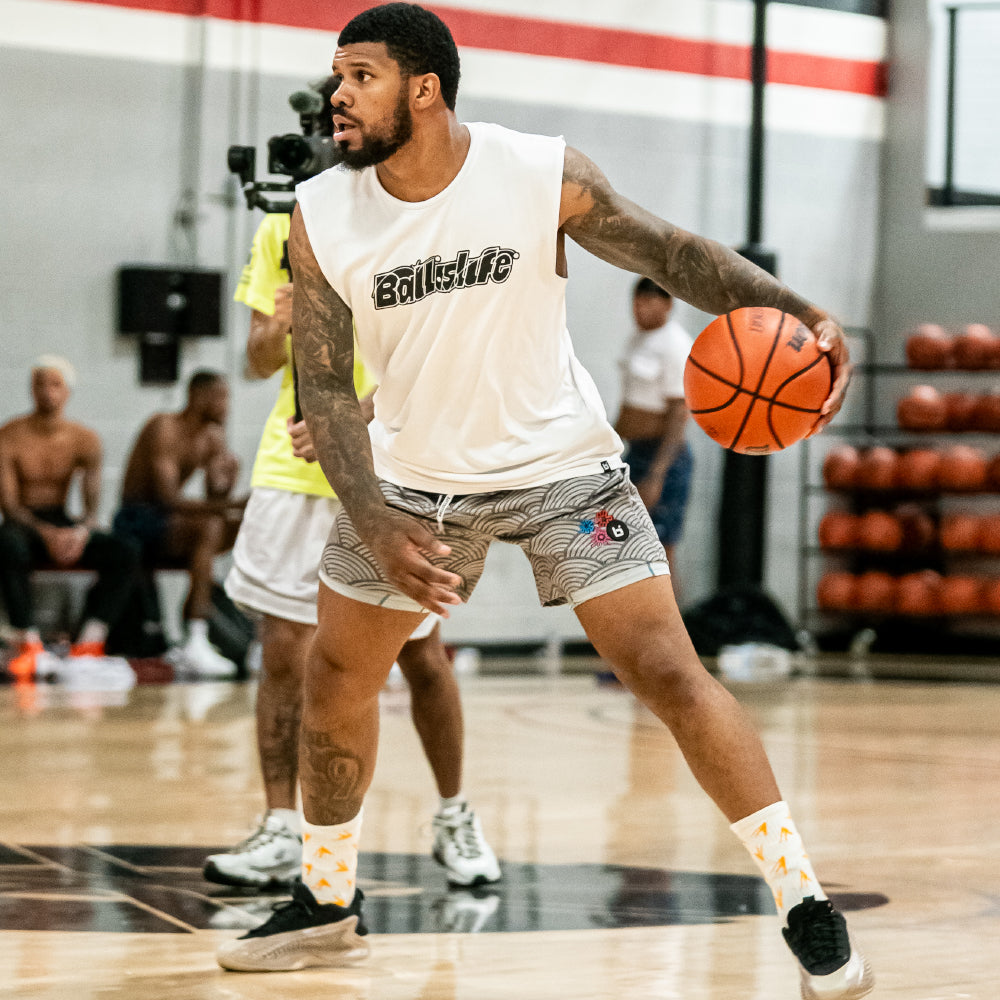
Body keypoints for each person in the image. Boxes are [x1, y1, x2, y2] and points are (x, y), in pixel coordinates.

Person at [217, 6, 870, 1000]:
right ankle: (327, 898)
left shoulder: (532, 171)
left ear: (424, 89)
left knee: (668, 671)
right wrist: (377, 520)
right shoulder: (320, 213)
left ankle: (803, 901)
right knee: (336, 673)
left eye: (360, 75)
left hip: (564, 471)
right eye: (336, 75)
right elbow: (328, 392)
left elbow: (672, 252)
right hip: (411, 480)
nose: (337, 95)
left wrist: (796, 311)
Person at [204, 76, 499, 891]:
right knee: (282, 653)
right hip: (293, 466)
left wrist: (354, 420)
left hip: (395, 463)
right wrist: (280, 322)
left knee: (423, 654)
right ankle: (279, 827)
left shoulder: (419, 220)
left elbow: (440, 353)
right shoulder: (284, 223)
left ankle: (455, 812)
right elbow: (256, 359)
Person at [0, 356, 139, 678]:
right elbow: (9, 506)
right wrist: (46, 533)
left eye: (55, 384)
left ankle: (90, 642)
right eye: (40, 384)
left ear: (67, 391)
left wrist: (80, 532)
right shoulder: (9, 436)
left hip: (62, 519)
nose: (47, 392)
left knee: (126, 549)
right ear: (31, 389)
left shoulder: (85, 439)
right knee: (8, 545)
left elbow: (91, 510)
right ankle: (28, 642)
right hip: (23, 523)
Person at [113, 370, 245, 677]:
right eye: (220, 397)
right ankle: (196, 636)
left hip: (169, 522)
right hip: (136, 519)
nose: (226, 406)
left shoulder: (212, 437)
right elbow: (168, 499)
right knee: (211, 526)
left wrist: (225, 484)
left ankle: (223, 623)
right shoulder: (164, 427)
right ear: (198, 397)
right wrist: (231, 504)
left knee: (242, 525)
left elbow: (214, 498)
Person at [614, 278, 694, 594]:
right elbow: (632, 403)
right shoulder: (637, 339)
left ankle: (675, 622)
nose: (639, 310)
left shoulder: (675, 344)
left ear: (667, 305)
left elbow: (678, 413)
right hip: (634, 452)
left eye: (648, 302)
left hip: (662, 457)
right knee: (616, 537)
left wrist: (657, 474)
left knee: (661, 548)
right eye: (636, 303)